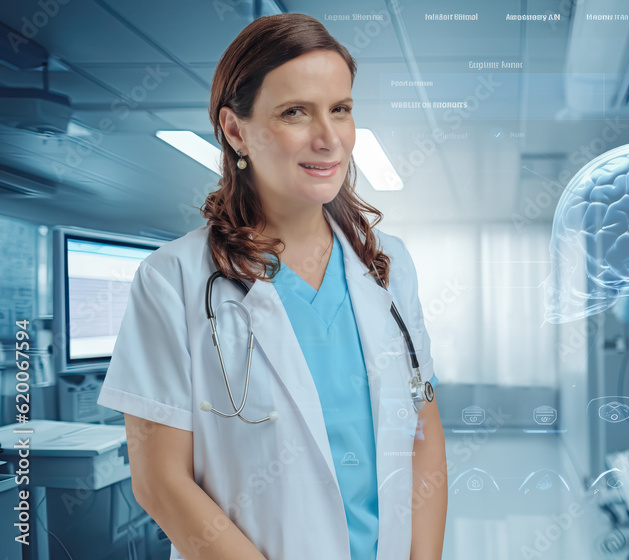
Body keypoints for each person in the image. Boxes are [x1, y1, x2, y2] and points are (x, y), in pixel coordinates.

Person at [96, 13, 447, 560]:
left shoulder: (389, 264)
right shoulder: (174, 279)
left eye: (341, 109)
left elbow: (422, 428)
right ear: (236, 130)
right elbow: (160, 481)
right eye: (294, 113)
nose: (328, 138)